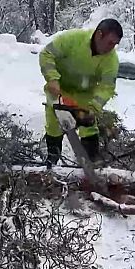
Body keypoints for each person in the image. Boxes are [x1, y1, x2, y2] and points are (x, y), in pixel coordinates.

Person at [38, 18, 122, 168]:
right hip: (58, 89)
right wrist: (52, 78)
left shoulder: (111, 60)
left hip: (84, 96)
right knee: (54, 125)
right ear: (99, 35)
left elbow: (106, 87)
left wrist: (94, 107)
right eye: (110, 43)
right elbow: (46, 54)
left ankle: (91, 163)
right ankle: (50, 163)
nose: (112, 48)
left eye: (115, 44)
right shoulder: (72, 39)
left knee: (89, 126)